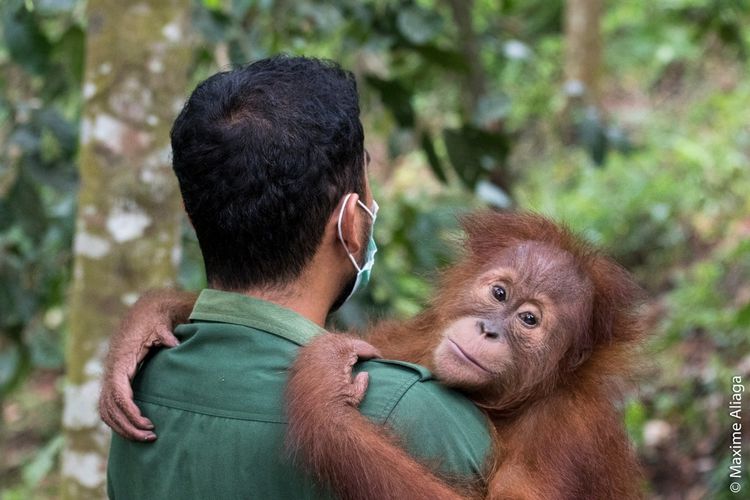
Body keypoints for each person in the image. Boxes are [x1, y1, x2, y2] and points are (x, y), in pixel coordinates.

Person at [104, 55, 491, 499]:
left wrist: (161, 305)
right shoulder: (411, 416)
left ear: (191, 218)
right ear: (351, 220)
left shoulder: (135, 389)